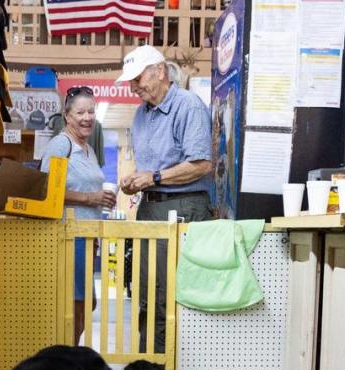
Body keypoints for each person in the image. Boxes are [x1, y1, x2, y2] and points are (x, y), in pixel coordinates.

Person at [117, 45, 214, 354]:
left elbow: (201, 164)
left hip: (183, 206)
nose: (134, 87)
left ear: (159, 71)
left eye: (137, 79)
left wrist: (154, 177)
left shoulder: (189, 106)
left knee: (175, 294)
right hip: (150, 207)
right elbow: (148, 169)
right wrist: (136, 181)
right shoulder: (140, 116)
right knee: (145, 293)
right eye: (130, 81)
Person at [40, 86, 117, 345]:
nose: (87, 118)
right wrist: (91, 198)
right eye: (80, 112)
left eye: (91, 112)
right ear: (67, 116)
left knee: (85, 304)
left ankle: (68, 355)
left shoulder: (88, 149)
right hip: (68, 238)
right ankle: (66, 359)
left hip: (86, 238)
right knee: (76, 305)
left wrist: (102, 199)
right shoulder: (62, 145)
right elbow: (48, 189)